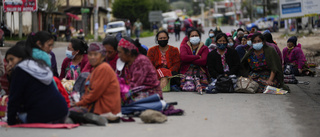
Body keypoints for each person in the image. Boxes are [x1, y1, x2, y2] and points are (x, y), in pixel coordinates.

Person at [6, 44, 68, 125]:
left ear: (21, 57)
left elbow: (14, 98)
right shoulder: (37, 65)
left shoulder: (20, 69)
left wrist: (10, 122)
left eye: (12, 59)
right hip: (62, 111)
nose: (10, 64)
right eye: (8, 61)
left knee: (20, 115)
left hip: (43, 116)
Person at [75, 42, 121, 121]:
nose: (92, 57)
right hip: (102, 109)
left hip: (107, 111)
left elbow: (94, 94)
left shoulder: (103, 68)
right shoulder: (96, 68)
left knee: (71, 113)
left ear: (103, 57)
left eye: (96, 54)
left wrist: (77, 104)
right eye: (90, 54)